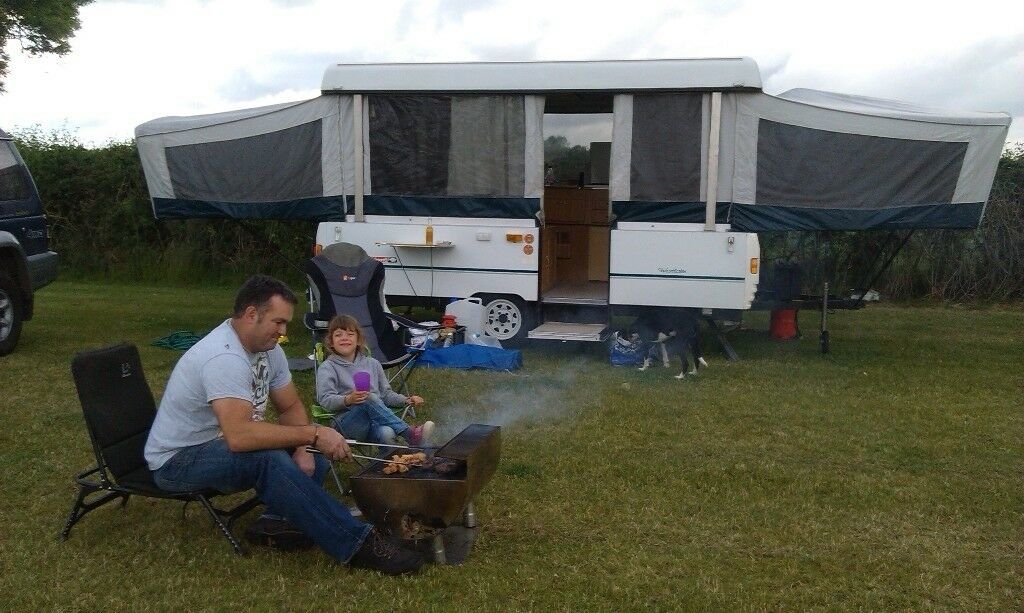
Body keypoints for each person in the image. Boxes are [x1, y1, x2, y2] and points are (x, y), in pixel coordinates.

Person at [144, 275, 423, 575]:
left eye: (285, 323)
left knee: (308, 453)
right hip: (178, 460)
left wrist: (304, 447)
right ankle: (358, 544)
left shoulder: (269, 351)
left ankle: (277, 523)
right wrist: (314, 433)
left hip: (218, 443)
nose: (283, 331)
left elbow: (289, 406)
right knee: (268, 459)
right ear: (252, 314)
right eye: (278, 322)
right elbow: (239, 437)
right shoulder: (223, 357)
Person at [316, 314, 434, 446]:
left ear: (359, 339)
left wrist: (406, 399)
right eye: (338, 335)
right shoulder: (328, 367)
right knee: (367, 397)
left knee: (387, 433)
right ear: (331, 342)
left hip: (375, 422)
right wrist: (348, 399)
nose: (344, 338)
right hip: (346, 424)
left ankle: (390, 465)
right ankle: (409, 434)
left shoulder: (373, 364)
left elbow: (385, 395)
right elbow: (325, 400)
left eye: (350, 334)